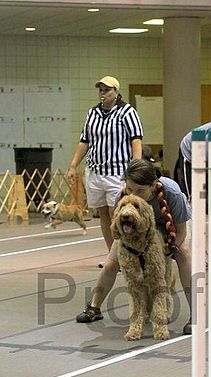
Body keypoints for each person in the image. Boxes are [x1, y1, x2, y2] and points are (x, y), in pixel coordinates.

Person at [76, 159, 193, 335]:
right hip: (136, 232)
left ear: (153, 185)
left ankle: (196, 313)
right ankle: (94, 307)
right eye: (130, 189)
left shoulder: (172, 194)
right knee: (110, 264)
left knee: (183, 254)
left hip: (170, 228)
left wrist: (167, 252)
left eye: (140, 190)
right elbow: (119, 230)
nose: (134, 194)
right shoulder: (122, 197)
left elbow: (181, 231)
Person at [66, 76, 143, 252]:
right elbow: (84, 141)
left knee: (116, 213)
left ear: (116, 92)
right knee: (102, 214)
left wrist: (136, 167)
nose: (103, 93)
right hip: (95, 172)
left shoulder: (127, 112)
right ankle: (112, 254)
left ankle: (126, 252)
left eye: (107, 90)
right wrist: (72, 166)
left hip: (118, 172)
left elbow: (136, 140)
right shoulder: (92, 113)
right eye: (100, 90)